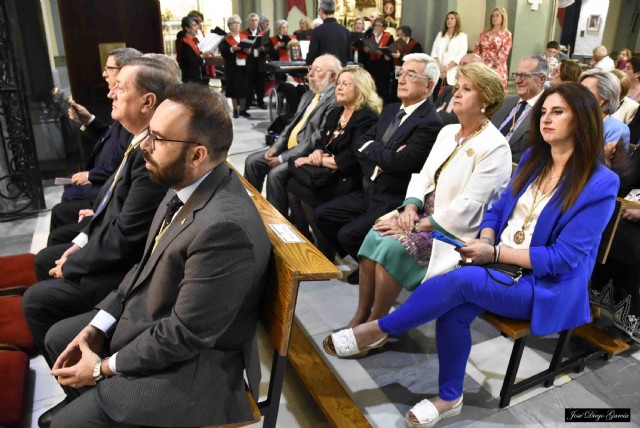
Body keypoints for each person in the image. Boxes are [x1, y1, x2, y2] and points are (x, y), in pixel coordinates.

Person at [324, 82, 620, 428]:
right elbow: (496, 210)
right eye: (544, 111)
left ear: (583, 120)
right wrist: (488, 239)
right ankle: (450, 397)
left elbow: (563, 259)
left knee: (461, 282)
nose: (545, 119)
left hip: (543, 283)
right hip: (498, 263)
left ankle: (376, 329)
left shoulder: (600, 183)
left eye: (558, 112)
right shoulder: (533, 159)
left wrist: (494, 251)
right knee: (454, 311)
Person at [39, 83, 271, 428]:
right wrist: (95, 327)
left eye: (158, 139)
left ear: (197, 154)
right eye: (150, 133)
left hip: (196, 369)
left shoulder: (224, 227)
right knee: (61, 338)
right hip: (157, 320)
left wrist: (102, 369)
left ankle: (92, 404)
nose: (144, 146)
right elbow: (143, 267)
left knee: (65, 423)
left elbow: (185, 335)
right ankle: (90, 399)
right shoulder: (182, 183)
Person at [23, 57, 174, 390]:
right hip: (118, 255)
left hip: (125, 271)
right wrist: (79, 246)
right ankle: (69, 364)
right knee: (48, 267)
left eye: (119, 87)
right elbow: (110, 204)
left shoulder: (153, 153)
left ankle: (77, 391)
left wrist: (75, 263)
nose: (110, 93)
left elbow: (128, 237)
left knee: (38, 300)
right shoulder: (139, 139)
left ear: (148, 101)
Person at [338, 63, 511, 329]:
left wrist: (417, 224)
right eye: (456, 88)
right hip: (422, 216)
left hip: (454, 231)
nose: (456, 94)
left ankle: (377, 324)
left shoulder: (495, 145)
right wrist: (408, 209)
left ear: (485, 101)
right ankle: (361, 313)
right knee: (375, 234)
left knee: (392, 247)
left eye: (466, 89)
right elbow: (423, 177)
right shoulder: (446, 132)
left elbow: (470, 207)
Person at [315, 53, 444, 282]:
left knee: (348, 234)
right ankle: (365, 261)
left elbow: (399, 163)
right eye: (400, 73)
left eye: (410, 75)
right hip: (369, 185)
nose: (401, 80)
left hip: (392, 196)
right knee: (323, 214)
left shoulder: (430, 122)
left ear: (429, 85)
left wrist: (377, 152)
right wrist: (382, 159)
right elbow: (361, 145)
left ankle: (369, 271)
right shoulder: (391, 109)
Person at [49, 48, 141, 245]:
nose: (104, 74)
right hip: (109, 189)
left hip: (110, 190)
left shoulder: (136, 117)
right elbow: (111, 137)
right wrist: (89, 120)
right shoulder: (123, 107)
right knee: (65, 202)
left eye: (109, 68)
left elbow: (121, 162)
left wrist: (92, 180)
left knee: (68, 200)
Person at [287, 66, 382, 257]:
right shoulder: (336, 112)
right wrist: (317, 152)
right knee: (291, 184)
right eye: (338, 83)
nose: (339, 87)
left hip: (350, 178)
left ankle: (326, 248)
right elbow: (322, 141)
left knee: (305, 192)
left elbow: (351, 159)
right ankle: (305, 239)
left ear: (360, 89)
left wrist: (320, 160)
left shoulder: (366, 117)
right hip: (329, 172)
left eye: (346, 84)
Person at [244, 54, 340, 215]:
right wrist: (275, 147)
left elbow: (315, 138)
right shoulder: (309, 94)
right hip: (287, 148)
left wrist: (282, 158)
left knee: (275, 174)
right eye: (310, 69)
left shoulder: (334, 100)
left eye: (317, 70)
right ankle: (248, 212)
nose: (310, 74)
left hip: (305, 153)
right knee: (252, 162)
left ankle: (276, 223)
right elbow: (291, 125)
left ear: (332, 76)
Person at [590, 147, 640, 345]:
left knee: (631, 267)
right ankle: (591, 306)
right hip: (625, 208)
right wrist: (615, 160)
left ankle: (626, 326)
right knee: (607, 255)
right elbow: (630, 174)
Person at [491, 55, 548, 162]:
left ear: (541, 78)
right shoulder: (505, 102)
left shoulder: (547, 110)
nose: (517, 80)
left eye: (524, 75)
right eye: (516, 75)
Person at [579, 69, 630, 164]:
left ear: (602, 99)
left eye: (584, 90)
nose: (576, 94)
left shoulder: (616, 129)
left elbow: (612, 169)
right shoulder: (572, 121)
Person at [434, 53, 483, 125]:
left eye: (465, 64)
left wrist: (440, 113)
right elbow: (431, 112)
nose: (460, 67)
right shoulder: (448, 90)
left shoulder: (476, 97)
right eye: (460, 63)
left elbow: (460, 122)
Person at [219, 15, 251, 118]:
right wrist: (232, 49)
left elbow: (249, 49)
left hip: (244, 65)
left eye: (238, 23)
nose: (237, 25)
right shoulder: (226, 39)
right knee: (233, 87)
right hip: (232, 66)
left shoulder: (244, 37)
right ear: (229, 26)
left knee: (244, 87)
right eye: (234, 23)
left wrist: (248, 51)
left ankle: (243, 109)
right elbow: (223, 52)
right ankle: (235, 110)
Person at [474, 7, 513, 92]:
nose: (494, 18)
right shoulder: (484, 32)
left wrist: (489, 67)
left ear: (503, 18)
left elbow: (504, 54)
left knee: (494, 93)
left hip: (497, 69)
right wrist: (479, 64)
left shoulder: (506, 34)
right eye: (492, 16)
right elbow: (477, 49)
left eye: (497, 16)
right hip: (481, 67)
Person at [431, 12, 468, 91]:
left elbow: (460, 56)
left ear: (457, 20)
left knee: (449, 99)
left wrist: (446, 68)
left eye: (452, 18)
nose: (449, 20)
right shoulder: (440, 34)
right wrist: (440, 68)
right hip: (438, 73)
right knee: (436, 99)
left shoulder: (462, 37)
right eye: (447, 18)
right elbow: (434, 53)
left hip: (452, 74)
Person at [306, 0, 351, 66]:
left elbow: (311, 57)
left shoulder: (318, 31)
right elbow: (349, 56)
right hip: (340, 72)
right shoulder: (345, 31)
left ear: (321, 10)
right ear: (334, 10)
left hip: (323, 72)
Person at [363, 17, 394, 104]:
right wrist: (366, 50)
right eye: (376, 25)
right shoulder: (371, 36)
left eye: (379, 25)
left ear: (384, 27)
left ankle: (383, 105)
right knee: (372, 86)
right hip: (372, 64)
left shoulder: (388, 37)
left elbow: (391, 50)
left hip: (382, 65)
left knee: (382, 87)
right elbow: (367, 50)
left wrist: (386, 54)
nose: (377, 27)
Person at [177, 16, 213, 84]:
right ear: (187, 28)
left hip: (198, 76)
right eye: (194, 25)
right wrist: (202, 56)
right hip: (191, 78)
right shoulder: (185, 43)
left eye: (197, 25)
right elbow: (190, 62)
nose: (197, 27)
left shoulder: (193, 41)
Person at [243, 12, 267, 110]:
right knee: (249, 84)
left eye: (256, 20)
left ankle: (260, 102)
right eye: (252, 20)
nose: (254, 22)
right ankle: (247, 103)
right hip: (249, 61)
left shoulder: (263, 34)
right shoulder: (243, 34)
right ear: (248, 22)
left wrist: (264, 49)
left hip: (260, 61)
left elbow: (268, 48)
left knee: (260, 83)